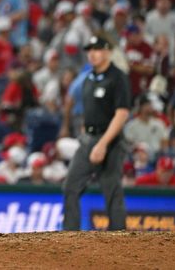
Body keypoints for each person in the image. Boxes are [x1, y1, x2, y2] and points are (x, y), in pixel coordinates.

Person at [63, 35, 130, 231]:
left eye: (97, 49)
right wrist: (86, 133)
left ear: (108, 51)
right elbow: (88, 110)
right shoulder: (88, 79)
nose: (92, 54)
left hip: (110, 140)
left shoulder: (118, 77)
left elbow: (122, 113)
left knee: (111, 189)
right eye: (89, 50)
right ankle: (69, 236)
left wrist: (103, 143)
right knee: (70, 186)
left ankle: (118, 238)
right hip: (88, 138)